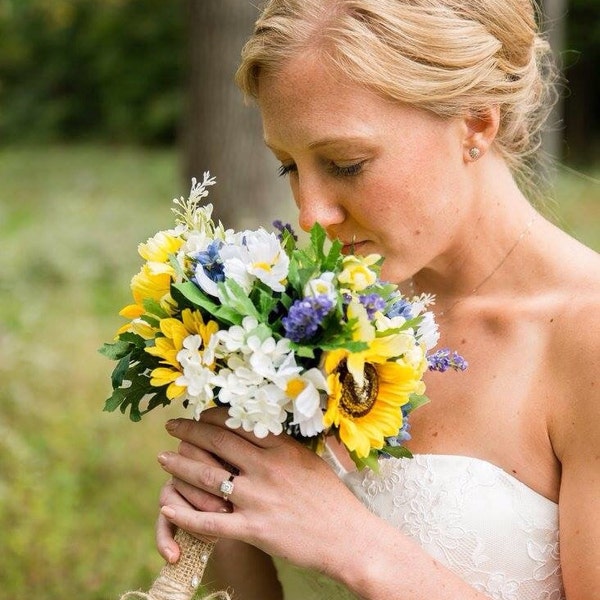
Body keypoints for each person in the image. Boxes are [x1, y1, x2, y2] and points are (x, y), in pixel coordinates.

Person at [154, 1, 600, 598]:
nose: (311, 217)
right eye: (289, 166)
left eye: (346, 164)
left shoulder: (586, 339)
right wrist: (226, 512)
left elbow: (338, 541)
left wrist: (355, 546)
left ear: (475, 122)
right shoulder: (305, 314)